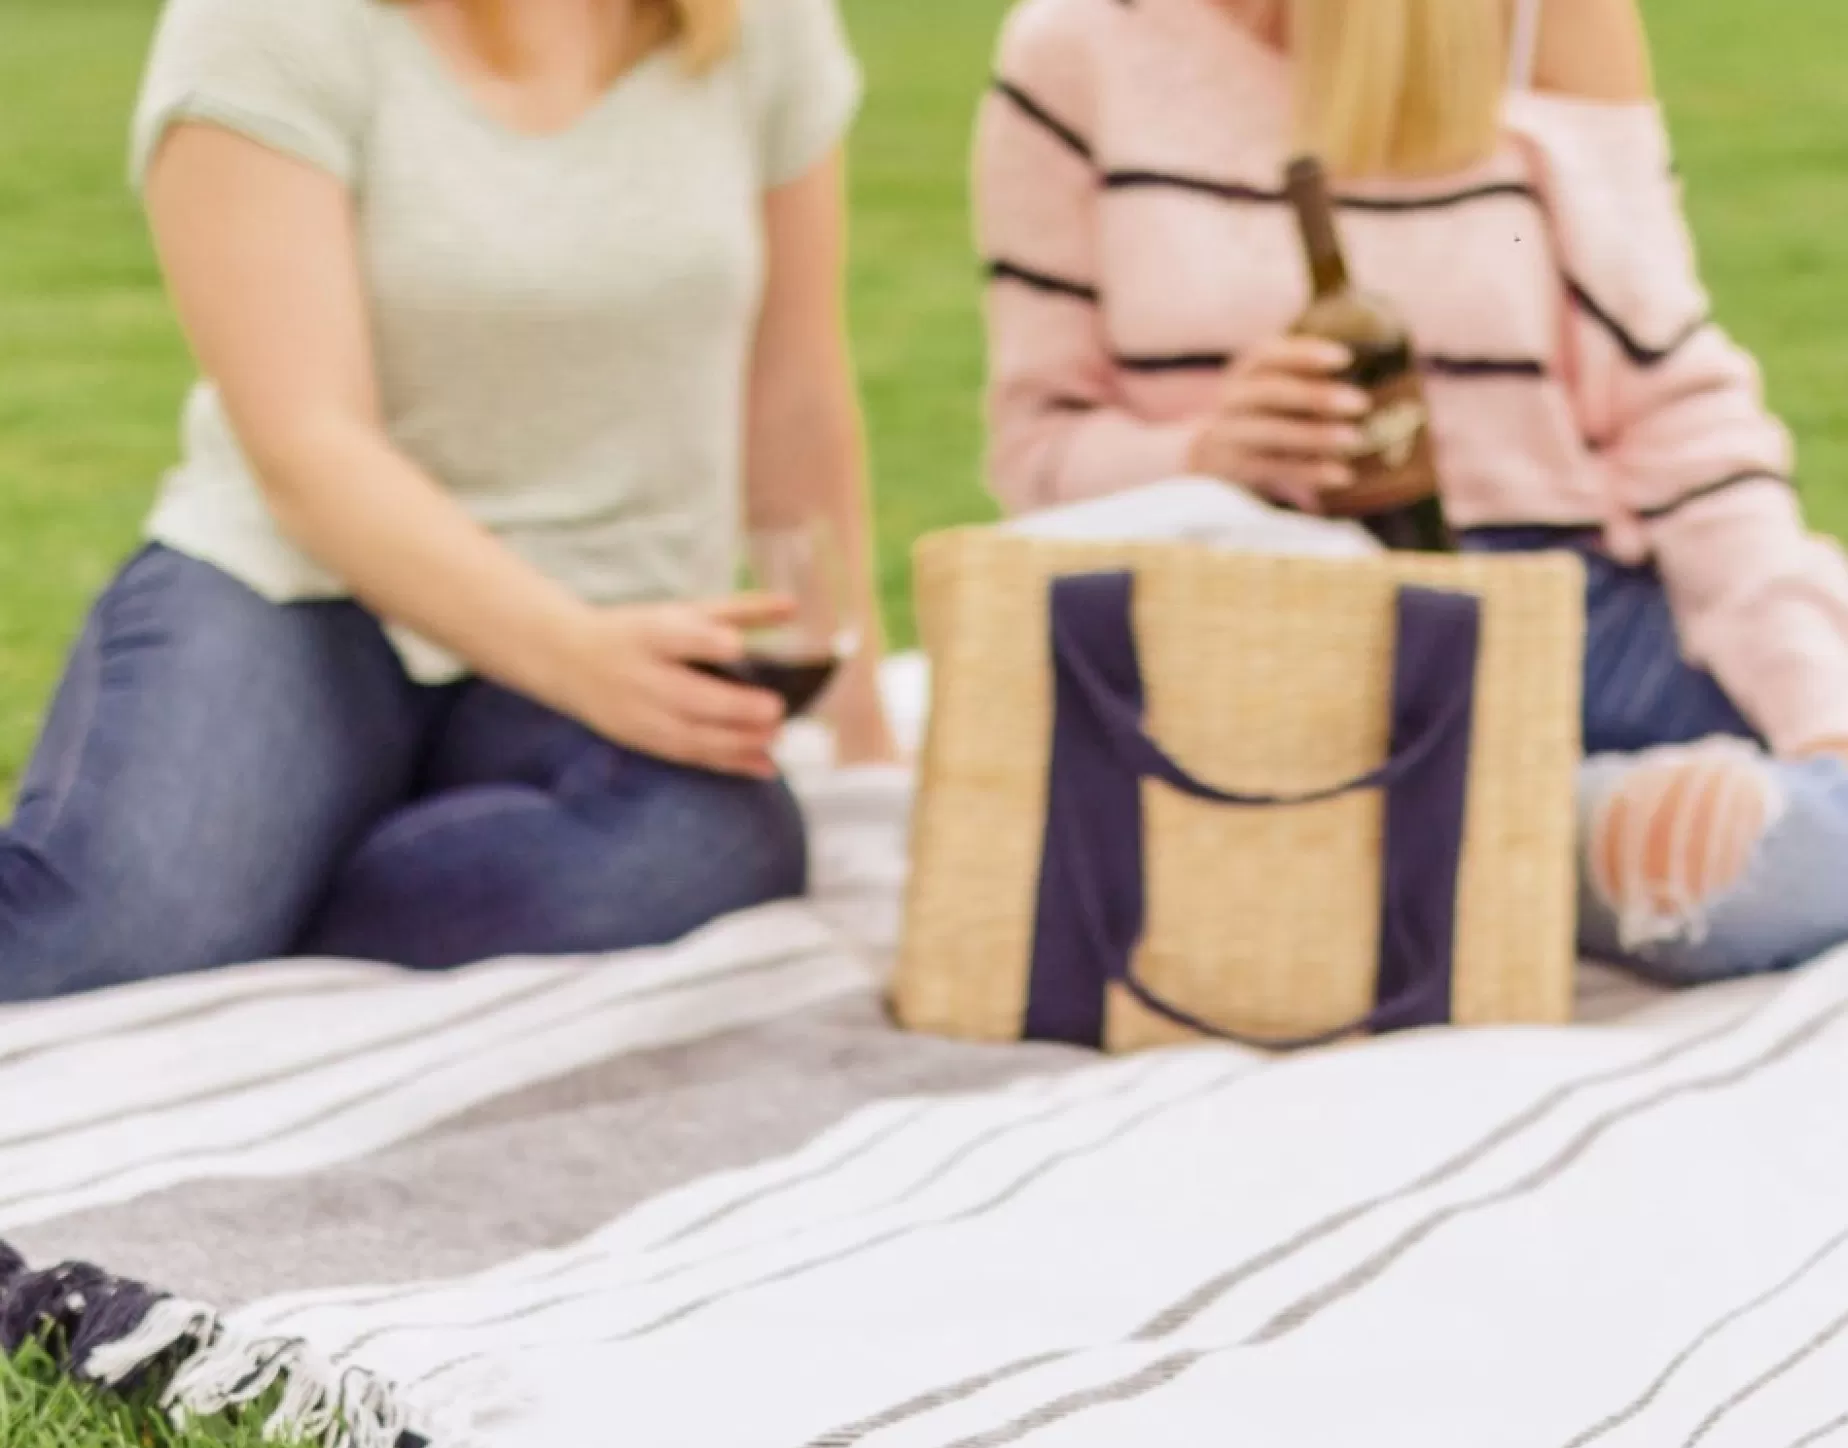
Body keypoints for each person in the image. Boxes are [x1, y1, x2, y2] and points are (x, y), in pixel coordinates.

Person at [0, 0, 894, 1003]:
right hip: (302, 591)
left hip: (616, 604)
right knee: (114, 938)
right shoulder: (263, 25)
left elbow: (796, 387)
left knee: (706, 848)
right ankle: (263, 893)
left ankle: (288, 900)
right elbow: (308, 444)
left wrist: (859, 723)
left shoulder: (761, 24)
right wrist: (571, 656)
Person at [974, 0, 1848, 984]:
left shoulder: (1544, 21)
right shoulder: (1077, 48)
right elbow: (1037, 460)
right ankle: (1539, 839)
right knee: (1748, 870)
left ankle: (1479, 842)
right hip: (1277, 652)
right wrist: (1205, 455)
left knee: (1799, 833)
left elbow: (1681, 417)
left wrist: (1821, 709)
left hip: (1571, 618)